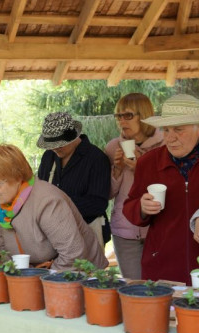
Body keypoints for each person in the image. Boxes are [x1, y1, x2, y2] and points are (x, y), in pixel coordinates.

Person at [0, 144, 108, 270]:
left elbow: (73, 254)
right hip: (38, 273)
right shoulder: (0, 201)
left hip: (78, 272)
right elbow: (2, 246)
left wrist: (38, 277)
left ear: (17, 177)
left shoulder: (47, 200)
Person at [123, 94, 199, 285]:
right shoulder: (149, 162)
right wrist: (141, 207)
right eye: (166, 130)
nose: (170, 137)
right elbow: (129, 206)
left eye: (178, 130)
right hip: (162, 266)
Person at [105, 93, 163, 279]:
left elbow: (171, 188)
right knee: (133, 288)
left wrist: (141, 168)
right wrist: (117, 170)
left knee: (162, 287)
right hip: (125, 232)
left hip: (159, 230)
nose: (122, 121)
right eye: (119, 116)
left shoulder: (165, 146)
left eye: (128, 115)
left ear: (143, 115)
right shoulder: (114, 147)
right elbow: (108, 194)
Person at [37, 112, 111, 248]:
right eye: (51, 145)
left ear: (74, 137)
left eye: (59, 144)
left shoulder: (96, 158)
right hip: (52, 234)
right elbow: (40, 188)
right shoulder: (49, 156)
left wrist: (60, 207)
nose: (54, 148)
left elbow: (98, 203)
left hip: (86, 233)